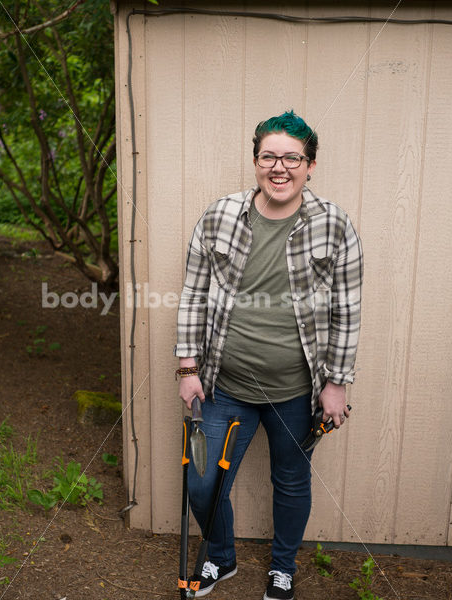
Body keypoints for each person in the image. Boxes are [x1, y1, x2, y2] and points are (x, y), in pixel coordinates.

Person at [174, 110, 363, 600]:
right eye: (269, 156)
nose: (280, 168)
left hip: (296, 391)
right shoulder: (219, 216)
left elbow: (347, 308)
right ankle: (221, 557)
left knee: (292, 482)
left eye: (292, 158)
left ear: (311, 164)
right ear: (256, 161)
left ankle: (282, 568)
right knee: (202, 482)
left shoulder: (333, 224)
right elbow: (193, 296)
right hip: (223, 386)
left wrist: (336, 383)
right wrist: (187, 368)